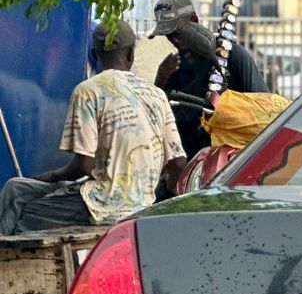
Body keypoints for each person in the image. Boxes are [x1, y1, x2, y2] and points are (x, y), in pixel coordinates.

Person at [0, 22, 186, 234]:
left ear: (95, 55)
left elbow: (84, 166)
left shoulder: (88, 91)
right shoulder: (157, 95)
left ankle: (7, 249)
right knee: (17, 187)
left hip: (101, 205)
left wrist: (52, 176)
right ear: (130, 55)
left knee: (22, 219)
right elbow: (179, 163)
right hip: (140, 205)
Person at [152, 0, 267, 157]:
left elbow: (264, 109)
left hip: (236, 159)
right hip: (193, 163)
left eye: (177, 33)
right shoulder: (172, 69)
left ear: (194, 20)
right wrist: (159, 84)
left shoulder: (232, 57)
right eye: (169, 36)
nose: (175, 41)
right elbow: (159, 123)